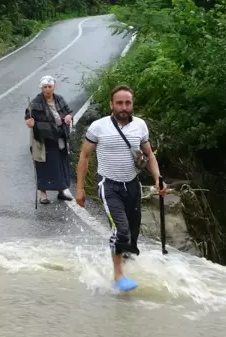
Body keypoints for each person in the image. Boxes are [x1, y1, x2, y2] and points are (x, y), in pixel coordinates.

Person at [75, 84, 167, 291]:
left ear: (132, 104)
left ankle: (123, 265)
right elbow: (84, 156)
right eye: (119, 103)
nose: (124, 107)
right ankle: (118, 276)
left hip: (132, 186)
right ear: (111, 104)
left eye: (127, 103)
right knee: (121, 230)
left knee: (132, 237)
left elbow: (149, 154)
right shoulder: (98, 127)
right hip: (108, 185)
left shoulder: (141, 126)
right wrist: (79, 190)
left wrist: (158, 179)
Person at [24, 75, 74, 204]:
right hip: (43, 140)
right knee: (43, 165)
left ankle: (61, 191)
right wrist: (29, 122)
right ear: (41, 88)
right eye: (45, 87)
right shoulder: (35, 102)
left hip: (59, 137)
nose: (47, 89)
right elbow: (28, 117)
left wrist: (68, 117)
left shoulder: (59, 99)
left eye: (49, 87)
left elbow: (68, 112)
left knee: (60, 164)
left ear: (54, 86)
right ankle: (43, 194)